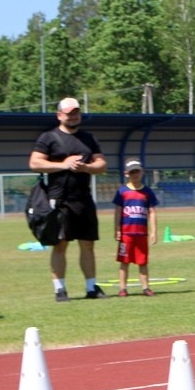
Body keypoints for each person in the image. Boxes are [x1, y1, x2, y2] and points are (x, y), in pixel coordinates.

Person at [29, 97, 108, 301]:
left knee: (88, 244)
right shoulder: (48, 137)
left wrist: (87, 168)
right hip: (59, 199)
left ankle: (92, 288)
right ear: (59, 115)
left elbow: (101, 164)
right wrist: (63, 164)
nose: (73, 116)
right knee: (60, 244)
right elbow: (35, 163)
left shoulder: (89, 138)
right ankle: (60, 289)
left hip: (83, 198)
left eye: (76, 112)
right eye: (69, 113)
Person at [112, 159, 160, 297]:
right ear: (126, 173)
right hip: (127, 233)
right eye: (132, 172)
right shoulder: (122, 192)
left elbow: (152, 212)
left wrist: (153, 232)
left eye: (137, 171)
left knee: (142, 261)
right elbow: (118, 212)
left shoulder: (147, 192)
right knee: (124, 261)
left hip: (141, 233)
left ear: (142, 172)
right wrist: (117, 229)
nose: (135, 175)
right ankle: (122, 288)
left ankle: (145, 288)